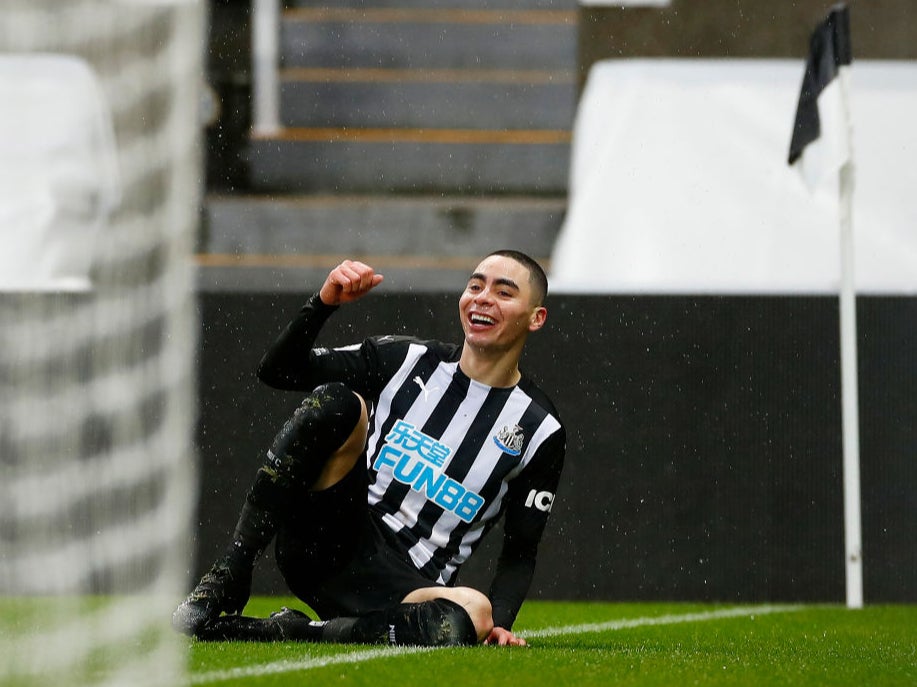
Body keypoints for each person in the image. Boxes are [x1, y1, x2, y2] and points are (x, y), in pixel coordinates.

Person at [172, 250, 566, 647]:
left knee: (475, 613)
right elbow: (278, 370)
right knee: (340, 403)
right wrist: (323, 303)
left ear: (536, 318)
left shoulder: (539, 428)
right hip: (327, 543)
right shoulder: (406, 359)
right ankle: (229, 573)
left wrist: (500, 624)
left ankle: (299, 632)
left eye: (503, 292)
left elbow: (520, 550)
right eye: (475, 285)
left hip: (402, 592)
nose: (482, 298)